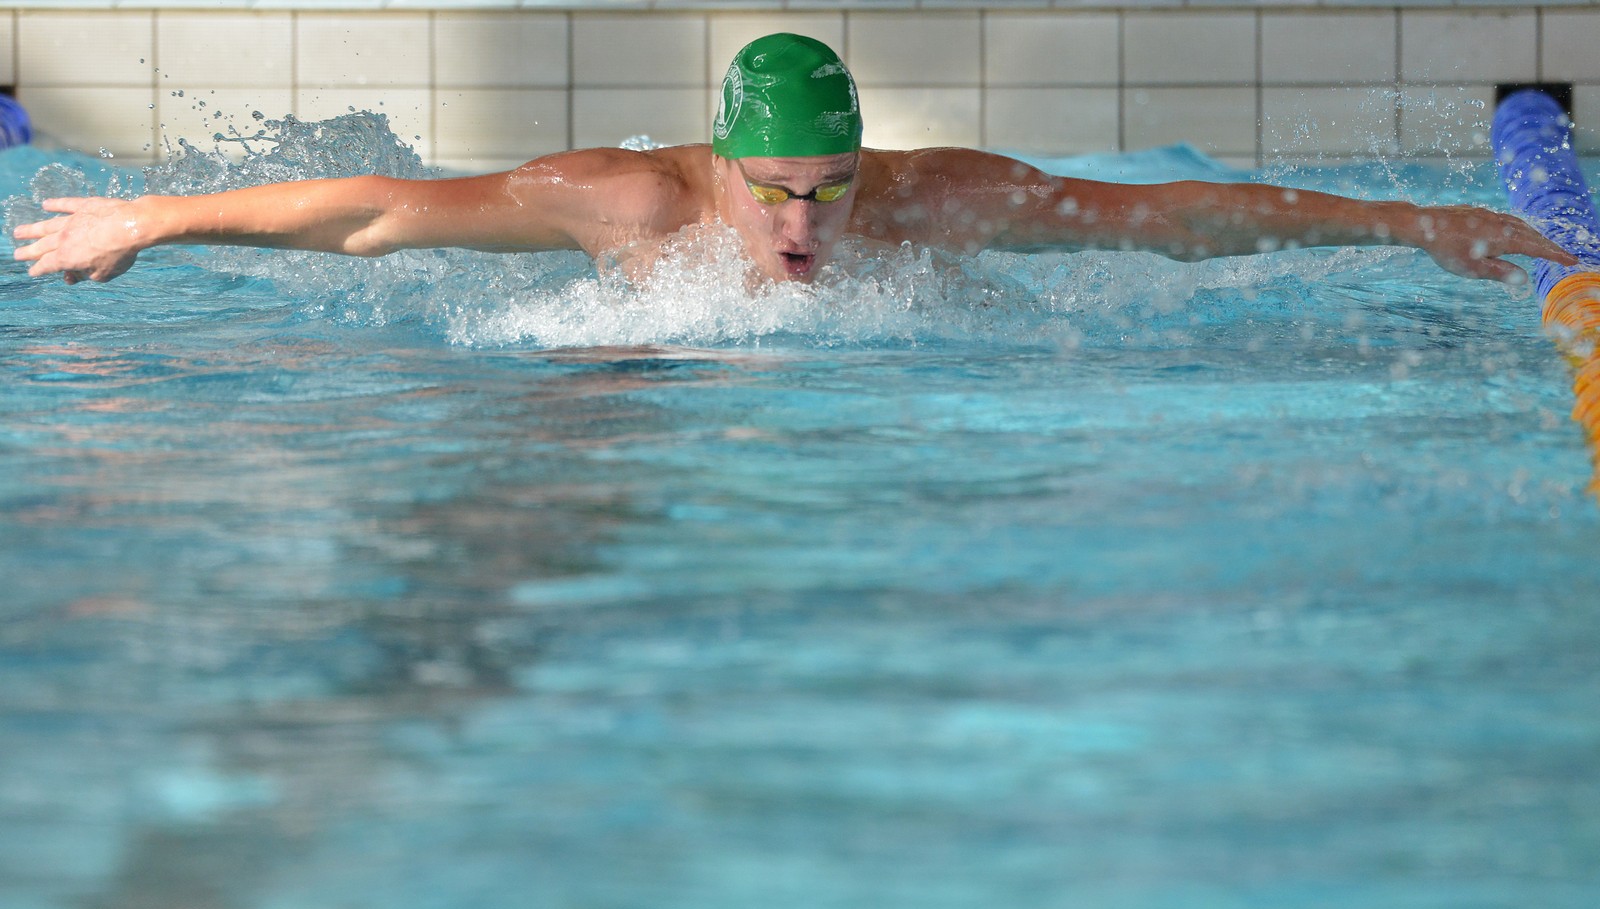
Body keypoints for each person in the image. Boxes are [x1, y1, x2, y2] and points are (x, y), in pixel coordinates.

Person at [11, 33, 1576, 288]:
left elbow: (1171, 215)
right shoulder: (628, 200)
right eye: (779, 195)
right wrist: (155, 217)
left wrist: (1415, 223)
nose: (810, 225)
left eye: (837, 187)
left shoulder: (933, 196)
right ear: (722, 166)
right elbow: (374, 210)